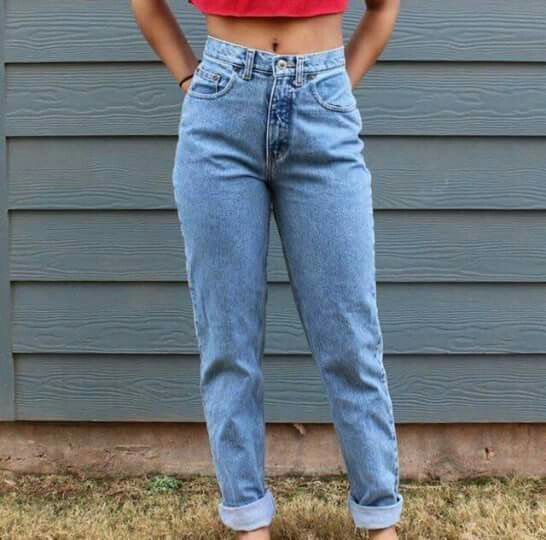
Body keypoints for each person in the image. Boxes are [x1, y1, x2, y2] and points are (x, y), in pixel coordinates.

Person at [130, 0, 402, 538]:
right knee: (228, 338)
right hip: (221, 111)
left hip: (323, 103)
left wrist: (333, 91)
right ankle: (248, 518)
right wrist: (190, 80)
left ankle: (379, 519)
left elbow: (384, 8)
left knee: (350, 337)